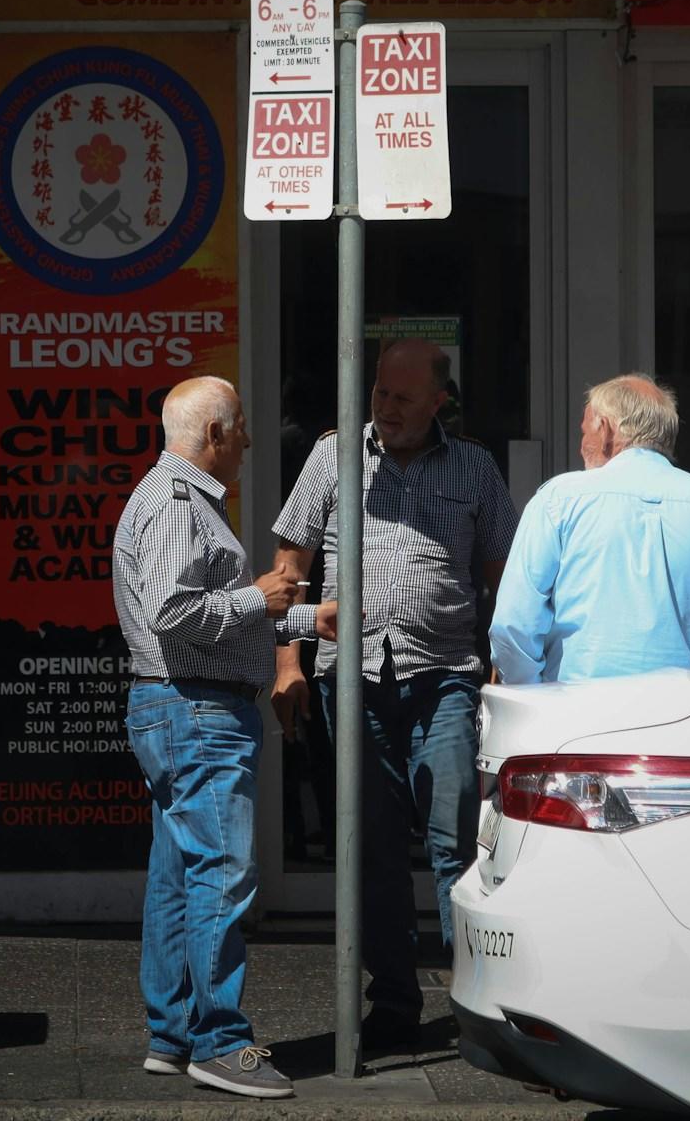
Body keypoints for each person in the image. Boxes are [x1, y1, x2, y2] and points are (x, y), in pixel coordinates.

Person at [270, 338, 517, 1052]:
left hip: (443, 675)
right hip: (353, 678)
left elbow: (506, 574)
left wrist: (505, 657)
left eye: (403, 398)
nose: (386, 409)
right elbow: (291, 566)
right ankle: (396, 1008)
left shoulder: (473, 466)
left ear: (441, 400)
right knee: (371, 848)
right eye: (380, 393)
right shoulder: (334, 455)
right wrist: (289, 662)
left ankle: (479, 1007)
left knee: (454, 843)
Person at [113, 375, 338, 1101]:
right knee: (222, 871)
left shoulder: (171, 499)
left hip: (182, 706)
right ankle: (219, 1042)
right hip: (197, 713)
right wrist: (260, 595)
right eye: (240, 427)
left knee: (181, 874)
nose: (247, 440)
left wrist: (305, 621)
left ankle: (172, 1035)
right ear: (213, 434)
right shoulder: (178, 503)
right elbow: (177, 614)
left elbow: (211, 624)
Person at [489, 374, 690, 685]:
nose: (581, 447)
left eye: (584, 431)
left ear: (604, 429)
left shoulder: (559, 500)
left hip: (579, 714)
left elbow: (514, 627)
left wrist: (535, 698)